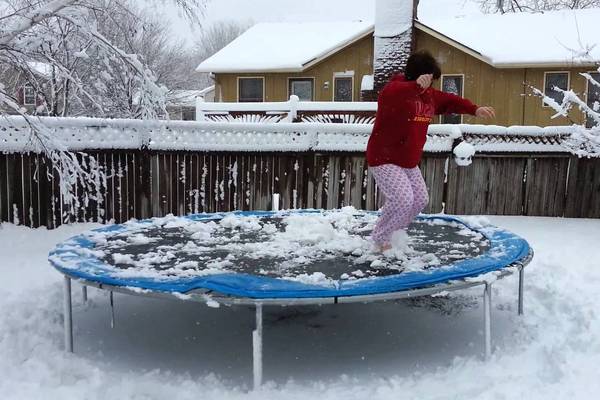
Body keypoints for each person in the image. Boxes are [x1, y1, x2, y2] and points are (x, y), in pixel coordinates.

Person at [366, 50, 495, 252]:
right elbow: (392, 91)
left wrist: (474, 109)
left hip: (407, 159)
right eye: (429, 78)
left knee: (419, 199)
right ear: (418, 75)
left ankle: (394, 232)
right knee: (402, 198)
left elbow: (450, 100)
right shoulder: (394, 92)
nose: (431, 84)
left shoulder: (429, 96)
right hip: (383, 156)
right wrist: (415, 86)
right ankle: (381, 238)